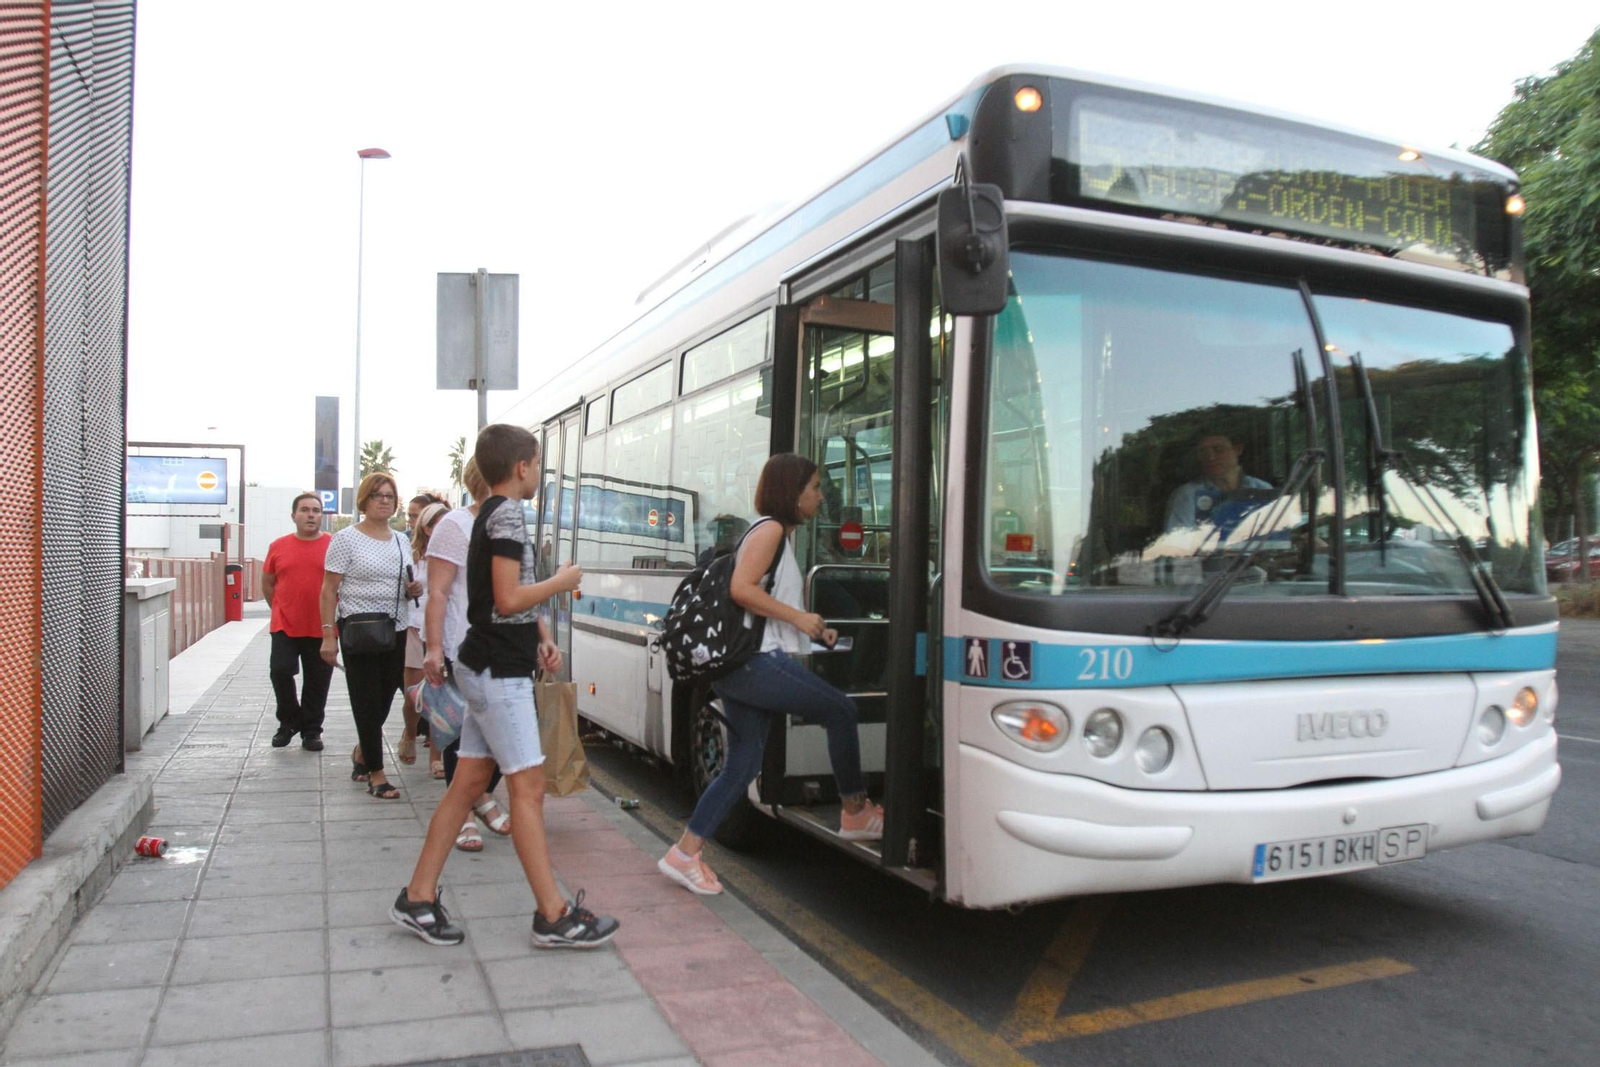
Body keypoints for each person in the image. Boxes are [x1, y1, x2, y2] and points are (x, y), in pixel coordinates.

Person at [393, 424, 618, 949]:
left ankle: (418, 897)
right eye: (538, 465)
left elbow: (496, 603)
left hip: (485, 662)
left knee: (468, 785)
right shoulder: (511, 513)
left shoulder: (489, 514)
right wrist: (562, 583)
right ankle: (554, 914)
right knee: (528, 789)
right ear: (522, 467)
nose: (539, 474)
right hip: (497, 674)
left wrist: (535, 636)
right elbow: (507, 599)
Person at [658, 452, 883, 897]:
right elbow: (741, 590)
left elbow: (765, 610)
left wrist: (813, 630)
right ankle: (855, 811)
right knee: (839, 709)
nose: (821, 496)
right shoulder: (771, 531)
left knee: (740, 767)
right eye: (815, 487)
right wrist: (799, 620)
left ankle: (684, 854)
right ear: (791, 492)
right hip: (753, 665)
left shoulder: (778, 535)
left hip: (747, 663)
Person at [422, 458, 528, 851]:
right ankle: (468, 810)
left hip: (506, 647)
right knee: (461, 737)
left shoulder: (511, 519)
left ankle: (479, 794)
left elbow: (520, 586)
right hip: (464, 645)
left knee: (501, 738)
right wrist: (434, 648)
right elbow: (438, 592)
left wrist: (541, 637)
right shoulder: (454, 525)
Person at [319, 472, 423, 799]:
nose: (384, 501)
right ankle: (377, 774)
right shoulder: (346, 539)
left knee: (382, 700)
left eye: (389, 496)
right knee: (365, 700)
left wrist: (412, 590)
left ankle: (363, 752)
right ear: (364, 500)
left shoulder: (401, 540)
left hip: (395, 628)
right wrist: (327, 635)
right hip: (359, 629)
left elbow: (403, 585)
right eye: (377, 495)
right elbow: (328, 590)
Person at [262, 492, 334, 751]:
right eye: (304, 510)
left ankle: (311, 731)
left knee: (317, 680)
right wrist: (280, 609)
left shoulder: (333, 544)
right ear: (294, 515)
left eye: (316, 510)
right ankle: (289, 721)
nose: (311, 515)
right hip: (284, 625)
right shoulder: (278, 546)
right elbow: (268, 583)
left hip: (322, 625)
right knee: (280, 671)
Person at [400, 492, 447, 771]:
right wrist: (409, 590)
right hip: (415, 626)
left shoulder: (455, 554)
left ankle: (436, 757)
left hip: (442, 630)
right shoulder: (409, 553)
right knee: (414, 694)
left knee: (438, 695)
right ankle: (409, 731)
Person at [1165, 430, 1272, 536]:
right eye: (1203, 451)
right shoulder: (1188, 494)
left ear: (1238, 449)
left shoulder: (1262, 489)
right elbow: (1177, 544)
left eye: (1218, 449)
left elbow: (1273, 536)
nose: (1211, 457)